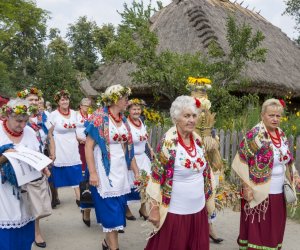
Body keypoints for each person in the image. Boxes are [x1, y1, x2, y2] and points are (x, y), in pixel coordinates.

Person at [145, 95, 215, 250]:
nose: (191, 120)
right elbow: (156, 177)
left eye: (194, 116)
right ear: (176, 118)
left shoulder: (197, 140)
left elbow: (206, 172)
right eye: (186, 116)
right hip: (176, 213)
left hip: (198, 210)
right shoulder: (168, 143)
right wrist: (154, 209)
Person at [232, 98, 300, 250]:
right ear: (262, 115)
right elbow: (241, 160)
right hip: (258, 192)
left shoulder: (281, 134)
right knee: (259, 234)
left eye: (278, 116)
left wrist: (294, 174)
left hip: (278, 192)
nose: (275, 119)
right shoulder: (255, 135)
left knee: (274, 231)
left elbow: (287, 158)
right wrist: (246, 186)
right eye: (271, 115)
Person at [85, 84, 139, 250]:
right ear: (115, 99)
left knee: (118, 208)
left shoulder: (123, 120)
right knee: (111, 212)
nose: (127, 102)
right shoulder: (99, 118)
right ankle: (113, 248)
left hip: (120, 169)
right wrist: (93, 173)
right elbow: (88, 147)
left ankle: (107, 243)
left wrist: (136, 172)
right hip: (104, 170)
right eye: (125, 98)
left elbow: (128, 148)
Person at [0, 98, 49, 250]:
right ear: (7, 115)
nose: (22, 125)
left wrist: (44, 168)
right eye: (18, 120)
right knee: (7, 238)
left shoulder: (29, 131)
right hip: (4, 192)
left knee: (25, 235)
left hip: (27, 191)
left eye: (25, 120)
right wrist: (4, 157)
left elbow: (36, 156)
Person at [189, 77, 224, 244]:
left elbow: (214, 137)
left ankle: (210, 227)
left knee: (210, 194)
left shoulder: (209, 119)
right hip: (191, 164)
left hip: (208, 161)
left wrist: (213, 142)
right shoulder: (187, 118)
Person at [17, 88, 52, 248]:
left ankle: (37, 232)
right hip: (21, 162)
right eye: (30, 100)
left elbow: (49, 137)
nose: (34, 102)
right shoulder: (19, 119)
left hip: (38, 162)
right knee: (20, 199)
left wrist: (52, 154)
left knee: (35, 197)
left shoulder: (43, 119)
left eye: (36, 100)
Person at [48, 90, 82, 206]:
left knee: (75, 170)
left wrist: (81, 139)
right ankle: (55, 197)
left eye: (66, 99)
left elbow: (77, 131)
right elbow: (50, 134)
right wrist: (52, 151)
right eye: (62, 99)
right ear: (58, 101)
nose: (65, 101)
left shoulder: (74, 113)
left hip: (72, 146)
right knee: (57, 172)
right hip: (59, 145)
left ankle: (79, 197)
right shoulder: (53, 115)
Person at [126, 98, 153, 220]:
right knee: (130, 184)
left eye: (138, 109)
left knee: (147, 184)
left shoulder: (141, 122)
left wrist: (150, 149)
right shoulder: (126, 124)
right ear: (129, 110)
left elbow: (145, 138)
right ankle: (126, 209)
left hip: (143, 157)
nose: (136, 111)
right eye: (134, 109)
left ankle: (143, 208)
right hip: (132, 158)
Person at [76, 97, 92, 226]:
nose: (86, 107)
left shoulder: (91, 116)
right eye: (84, 105)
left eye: (88, 105)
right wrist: (78, 139)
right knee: (82, 170)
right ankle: (84, 197)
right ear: (80, 106)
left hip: (89, 144)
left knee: (88, 166)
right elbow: (73, 130)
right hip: (79, 143)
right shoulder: (76, 116)